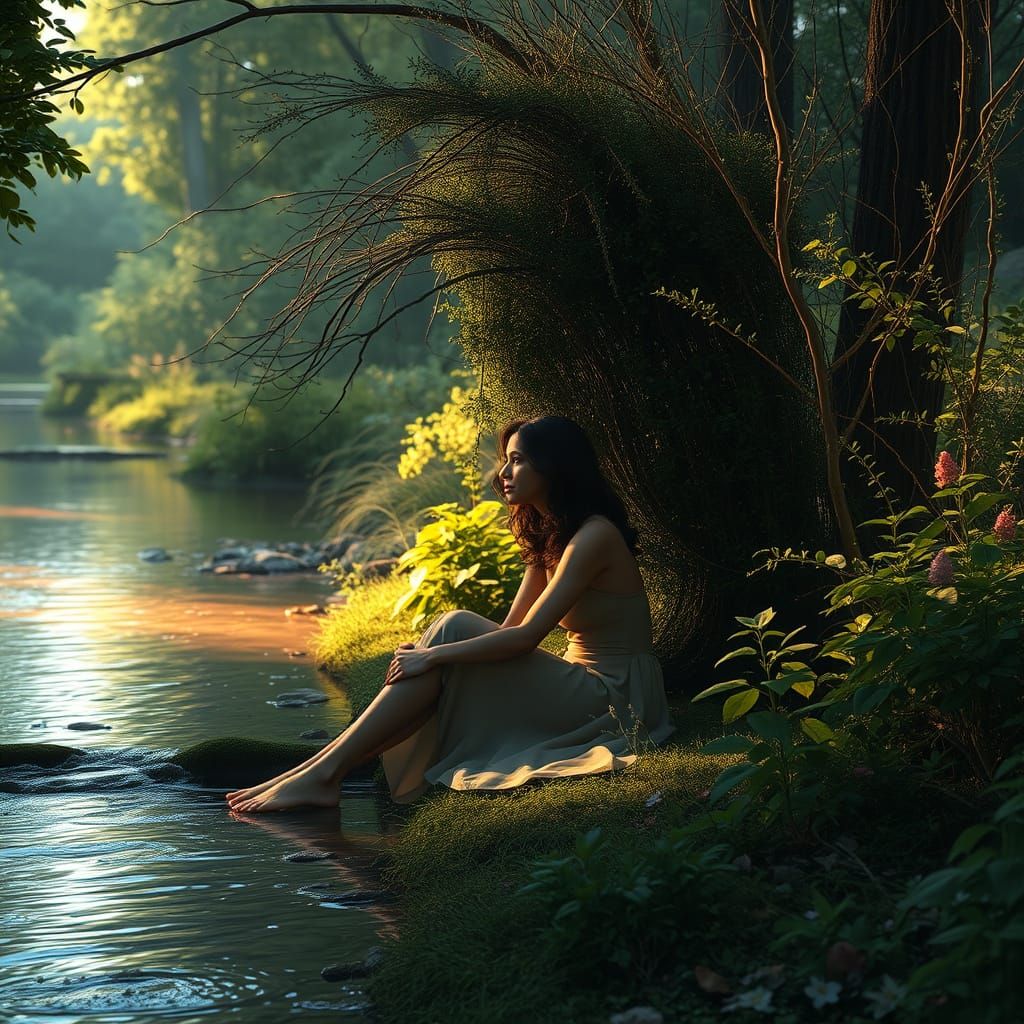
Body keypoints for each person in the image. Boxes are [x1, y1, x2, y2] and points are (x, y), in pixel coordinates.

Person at [226, 414, 675, 813]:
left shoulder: (593, 536)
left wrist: (434, 656)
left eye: (517, 461)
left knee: (452, 628)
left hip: (617, 697)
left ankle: (322, 775)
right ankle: (318, 772)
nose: (503, 473)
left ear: (554, 466)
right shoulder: (551, 536)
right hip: (580, 685)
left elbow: (526, 639)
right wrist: (433, 653)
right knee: (448, 633)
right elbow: (510, 629)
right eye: (506, 459)